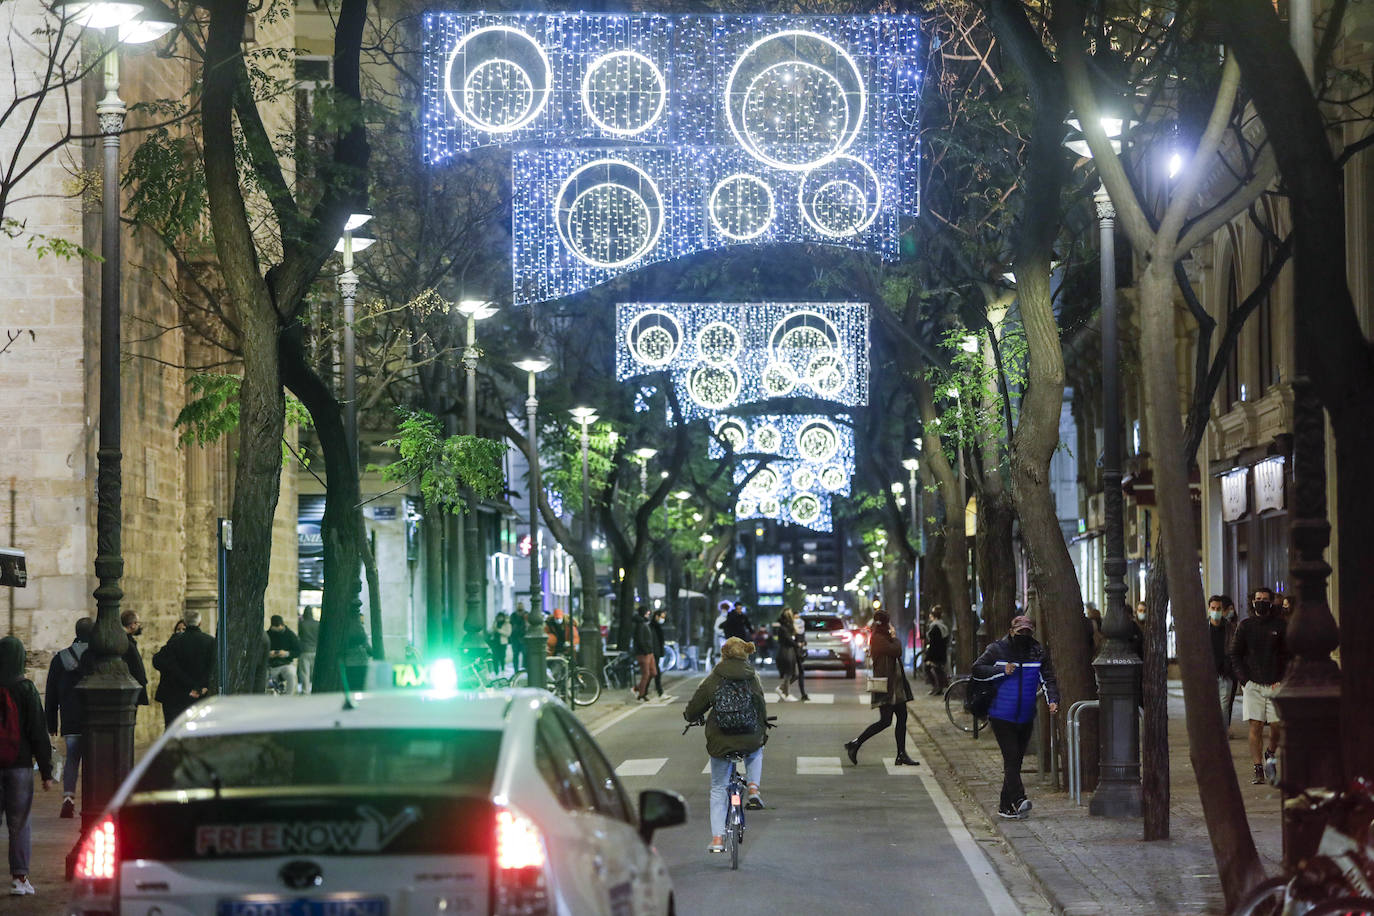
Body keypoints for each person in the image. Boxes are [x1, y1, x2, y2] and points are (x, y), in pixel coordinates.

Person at [684, 636, 769, 854]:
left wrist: (690, 715)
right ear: (745, 654)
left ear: (724, 653)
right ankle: (753, 788)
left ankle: (718, 839)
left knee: (718, 788)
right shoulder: (752, 677)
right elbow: (760, 706)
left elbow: (695, 708)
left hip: (720, 740)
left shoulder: (714, 677)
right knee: (757, 749)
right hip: (749, 736)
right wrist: (762, 728)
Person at [972, 615, 1060, 819]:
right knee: (1011, 757)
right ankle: (1020, 799)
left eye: (1028, 632)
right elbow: (977, 669)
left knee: (1015, 762)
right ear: (1012, 631)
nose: (1025, 635)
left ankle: (1005, 807)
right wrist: (1002, 670)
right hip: (1001, 714)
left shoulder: (1037, 652)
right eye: (1021, 632)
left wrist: (1052, 700)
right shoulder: (998, 649)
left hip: (1026, 716)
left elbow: (1048, 679)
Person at [0, 636, 54, 896]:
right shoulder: (27, 689)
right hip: (20, 766)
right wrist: (46, 772)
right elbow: (38, 733)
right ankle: (20, 879)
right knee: (19, 823)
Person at [1230, 586, 1288, 785]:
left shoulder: (1280, 626)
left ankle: (1270, 754)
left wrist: (1283, 678)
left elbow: (1288, 655)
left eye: (1264, 598)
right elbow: (1235, 654)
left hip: (1275, 684)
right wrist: (1244, 680)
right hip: (1253, 684)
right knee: (1255, 726)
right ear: (1252, 601)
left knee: (1276, 726)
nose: (1261, 601)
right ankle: (1258, 768)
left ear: (1271, 602)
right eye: (1257, 598)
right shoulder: (1245, 626)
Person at [844, 610, 917, 766]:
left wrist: (892, 636)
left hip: (894, 686)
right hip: (886, 686)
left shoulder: (883, 636)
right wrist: (895, 636)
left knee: (902, 717)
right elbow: (896, 650)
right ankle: (855, 743)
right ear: (885, 624)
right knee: (885, 721)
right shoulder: (878, 638)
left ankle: (901, 754)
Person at [44, 618, 92, 819]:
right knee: (93, 762)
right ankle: (91, 801)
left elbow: (51, 692)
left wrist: (52, 722)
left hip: (70, 718)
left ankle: (68, 799)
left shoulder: (60, 658)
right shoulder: (98, 658)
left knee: (72, 759)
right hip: (94, 718)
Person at [154, 609, 217, 727]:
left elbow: (164, 664)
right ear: (200, 623)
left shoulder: (175, 642)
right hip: (201, 696)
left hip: (178, 696)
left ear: (186, 624)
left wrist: (190, 686)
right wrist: (202, 687)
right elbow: (213, 667)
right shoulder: (210, 642)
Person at [1209, 595, 1238, 734]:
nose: (1216, 611)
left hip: (1225, 674)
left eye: (1218, 608)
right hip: (1208, 675)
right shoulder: (1202, 629)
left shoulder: (1231, 629)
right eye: (1213, 608)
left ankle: (1222, 736)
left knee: (1224, 707)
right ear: (1209, 609)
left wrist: (1231, 668)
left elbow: (1236, 650)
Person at [121, 610, 150, 708]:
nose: (139, 626)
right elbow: (136, 667)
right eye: (138, 623)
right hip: (130, 690)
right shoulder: (127, 643)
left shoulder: (126, 640)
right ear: (132, 625)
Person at [266, 615, 301, 695]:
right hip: (271, 665)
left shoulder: (290, 635)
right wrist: (268, 654)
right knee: (264, 677)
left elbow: (298, 651)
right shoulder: (268, 634)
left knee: (291, 674)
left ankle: (288, 697)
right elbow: (261, 651)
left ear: (282, 625)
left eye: (279, 628)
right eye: (275, 629)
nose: (278, 630)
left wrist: (286, 653)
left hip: (285, 664)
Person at [630, 606, 657, 701]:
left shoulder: (644, 623)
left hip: (649, 652)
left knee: (653, 672)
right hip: (643, 653)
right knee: (646, 674)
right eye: (647, 613)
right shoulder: (640, 624)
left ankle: (638, 688)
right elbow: (640, 639)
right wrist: (645, 650)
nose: (648, 614)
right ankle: (642, 694)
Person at [773, 608, 800, 702]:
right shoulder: (783, 628)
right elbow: (789, 639)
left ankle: (781, 689)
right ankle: (786, 693)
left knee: (794, 674)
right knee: (789, 673)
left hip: (789, 651)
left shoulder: (788, 626)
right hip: (786, 651)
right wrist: (797, 644)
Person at [924, 605, 951, 695]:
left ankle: (938, 687)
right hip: (941, 652)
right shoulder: (943, 626)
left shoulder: (935, 627)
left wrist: (929, 656)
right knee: (938, 670)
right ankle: (940, 687)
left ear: (933, 616)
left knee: (929, 668)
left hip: (935, 654)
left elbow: (934, 644)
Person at [342, 612, 371, 690]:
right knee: (361, 686)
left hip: (349, 663)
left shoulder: (345, 629)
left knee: (352, 686)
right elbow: (367, 646)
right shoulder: (361, 630)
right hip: (362, 662)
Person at [297, 606, 319, 693]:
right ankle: (315, 690)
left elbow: (300, 636)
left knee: (305, 673)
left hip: (305, 651)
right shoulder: (317, 624)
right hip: (315, 650)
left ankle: (305, 691)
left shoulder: (302, 624)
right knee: (314, 673)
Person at [649, 610, 667, 697]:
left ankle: (641, 690)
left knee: (652, 673)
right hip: (653, 653)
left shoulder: (657, 627)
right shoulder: (652, 627)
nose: (663, 619)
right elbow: (653, 641)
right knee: (655, 672)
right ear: (656, 616)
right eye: (662, 617)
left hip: (656, 652)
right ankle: (660, 692)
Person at [510, 604, 528, 672]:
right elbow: (511, 625)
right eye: (519, 606)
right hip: (515, 638)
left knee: (525, 654)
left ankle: (525, 668)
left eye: (521, 606)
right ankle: (516, 670)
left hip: (524, 638)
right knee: (515, 655)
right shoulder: (513, 615)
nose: (520, 607)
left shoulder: (526, 615)